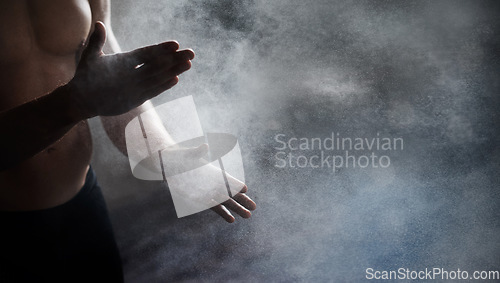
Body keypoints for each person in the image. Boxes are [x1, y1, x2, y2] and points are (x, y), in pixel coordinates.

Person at [0, 1, 256, 282]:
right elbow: (84, 98)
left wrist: (168, 156)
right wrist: (73, 104)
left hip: (82, 203)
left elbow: (109, 80)